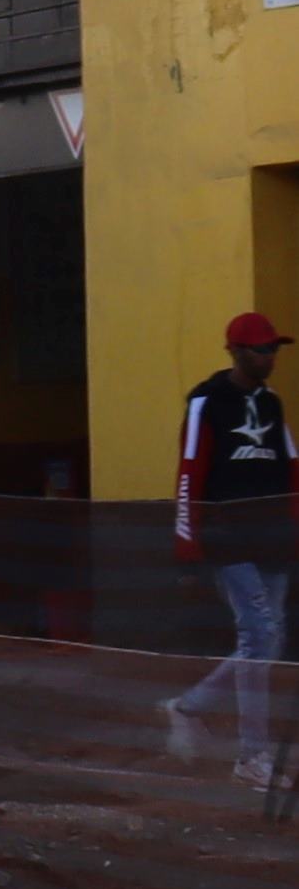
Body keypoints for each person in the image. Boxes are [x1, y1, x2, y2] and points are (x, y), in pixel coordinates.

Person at [167, 314, 293, 777]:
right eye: (262, 350)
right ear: (236, 352)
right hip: (229, 537)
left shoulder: (273, 404)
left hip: (274, 536)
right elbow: (189, 474)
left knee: (269, 639)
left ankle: (189, 707)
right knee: (257, 634)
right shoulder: (207, 401)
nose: (270, 357)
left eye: (274, 348)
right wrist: (187, 547)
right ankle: (252, 756)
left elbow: (292, 467)